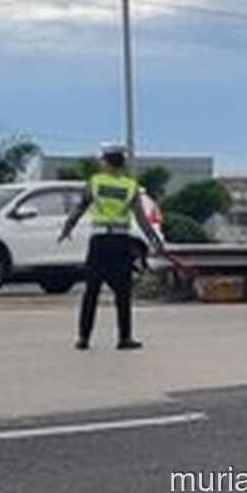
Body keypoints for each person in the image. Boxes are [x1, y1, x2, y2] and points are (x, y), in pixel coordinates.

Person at [59, 144, 167, 351]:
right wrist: (154, 239)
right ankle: (124, 338)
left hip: (99, 242)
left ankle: (83, 338)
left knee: (91, 291)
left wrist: (67, 228)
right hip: (121, 243)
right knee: (123, 293)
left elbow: (81, 207)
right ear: (121, 162)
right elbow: (141, 218)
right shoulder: (130, 186)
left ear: (107, 161)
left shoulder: (95, 182)